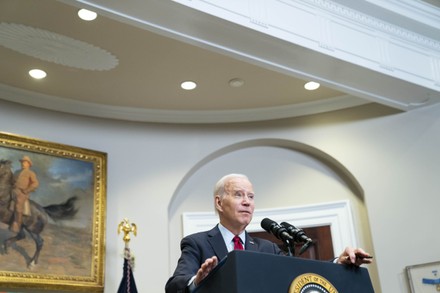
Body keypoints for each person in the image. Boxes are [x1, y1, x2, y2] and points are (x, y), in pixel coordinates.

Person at [165, 174, 373, 293]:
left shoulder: (267, 248)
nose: (247, 201)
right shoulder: (197, 243)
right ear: (219, 202)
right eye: (238, 195)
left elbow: (303, 275)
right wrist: (197, 280)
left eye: (251, 196)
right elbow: (174, 285)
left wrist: (340, 263)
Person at [9, 155, 39, 233]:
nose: (23, 164)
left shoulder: (30, 173)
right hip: (13, 190)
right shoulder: (16, 172)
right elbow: (12, 181)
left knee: (18, 207)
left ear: (29, 164)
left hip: (22, 193)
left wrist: (27, 190)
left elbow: (35, 184)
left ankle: (17, 225)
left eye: (25, 162)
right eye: (22, 162)